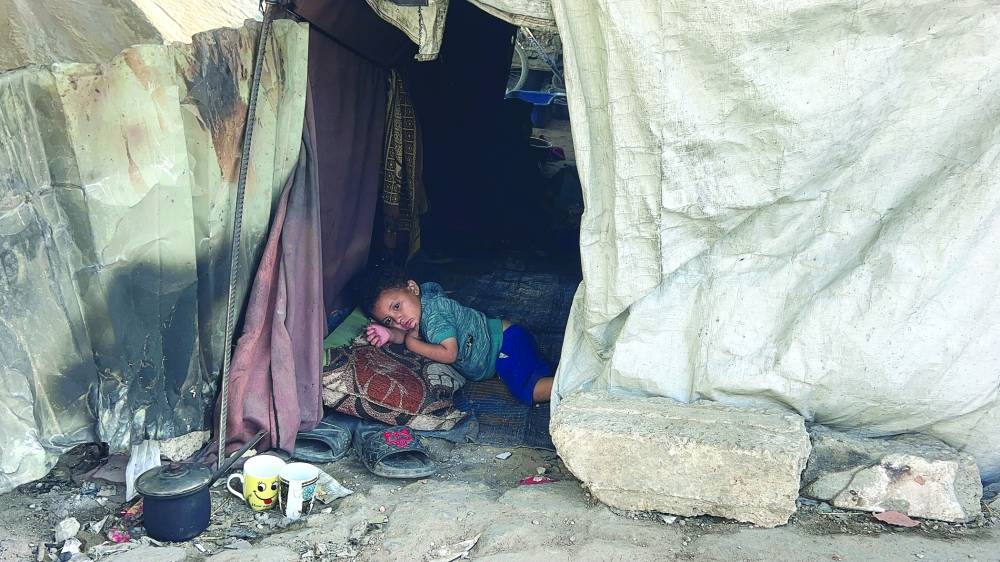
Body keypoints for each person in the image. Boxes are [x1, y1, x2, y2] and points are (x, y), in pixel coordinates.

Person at [355, 267, 553, 405]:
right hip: (505, 342)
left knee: (529, 390)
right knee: (533, 370)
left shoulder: (434, 315)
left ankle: (575, 389)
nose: (399, 319)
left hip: (504, 345)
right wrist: (389, 333)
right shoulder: (418, 307)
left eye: (397, 307)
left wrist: (411, 343)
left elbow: (449, 353)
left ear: (413, 288)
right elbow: (406, 332)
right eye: (389, 320)